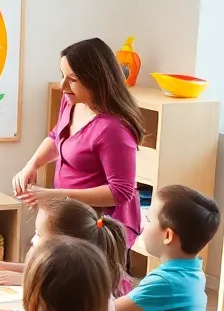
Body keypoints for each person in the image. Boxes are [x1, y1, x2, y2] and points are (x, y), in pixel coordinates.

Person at [11, 38, 146, 245]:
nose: (63, 85)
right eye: (62, 75)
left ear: (95, 80)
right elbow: (57, 135)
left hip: (98, 228)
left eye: (72, 79)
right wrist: (33, 164)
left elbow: (121, 192)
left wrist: (56, 197)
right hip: (72, 216)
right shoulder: (72, 101)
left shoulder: (113, 129)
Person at [0, 197, 132, 311]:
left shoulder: (69, 295)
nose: (33, 240)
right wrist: (3, 266)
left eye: (39, 234)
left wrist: (25, 279)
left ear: (66, 244)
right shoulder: (83, 277)